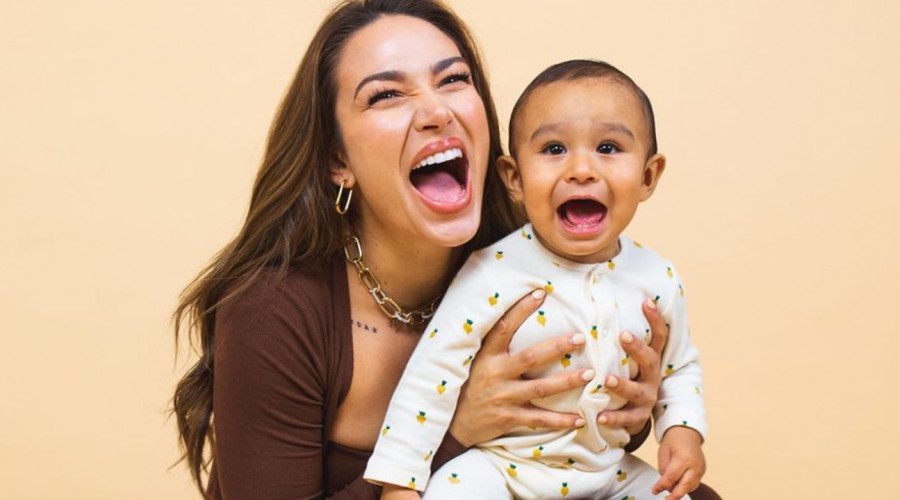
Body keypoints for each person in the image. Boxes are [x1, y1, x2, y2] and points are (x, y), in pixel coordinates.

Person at [171, 1, 721, 499]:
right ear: (338, 160)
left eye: (453, 80)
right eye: (386, 94)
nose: (436, 111)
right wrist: (457, 433)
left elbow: (579, 454)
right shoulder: (275, 312)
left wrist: (639, 405)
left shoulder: (536, 260)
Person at [364, 59, 707, 500]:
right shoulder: (493, 271)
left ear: (647, 176)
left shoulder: (657, 276)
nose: (581, 169)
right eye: (553, 150)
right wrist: (399, 485)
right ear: (514, 179)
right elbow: (431, 376)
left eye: (607, 148)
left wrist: (683, 432)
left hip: (607, 471)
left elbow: (679, 367)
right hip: (502, 469)